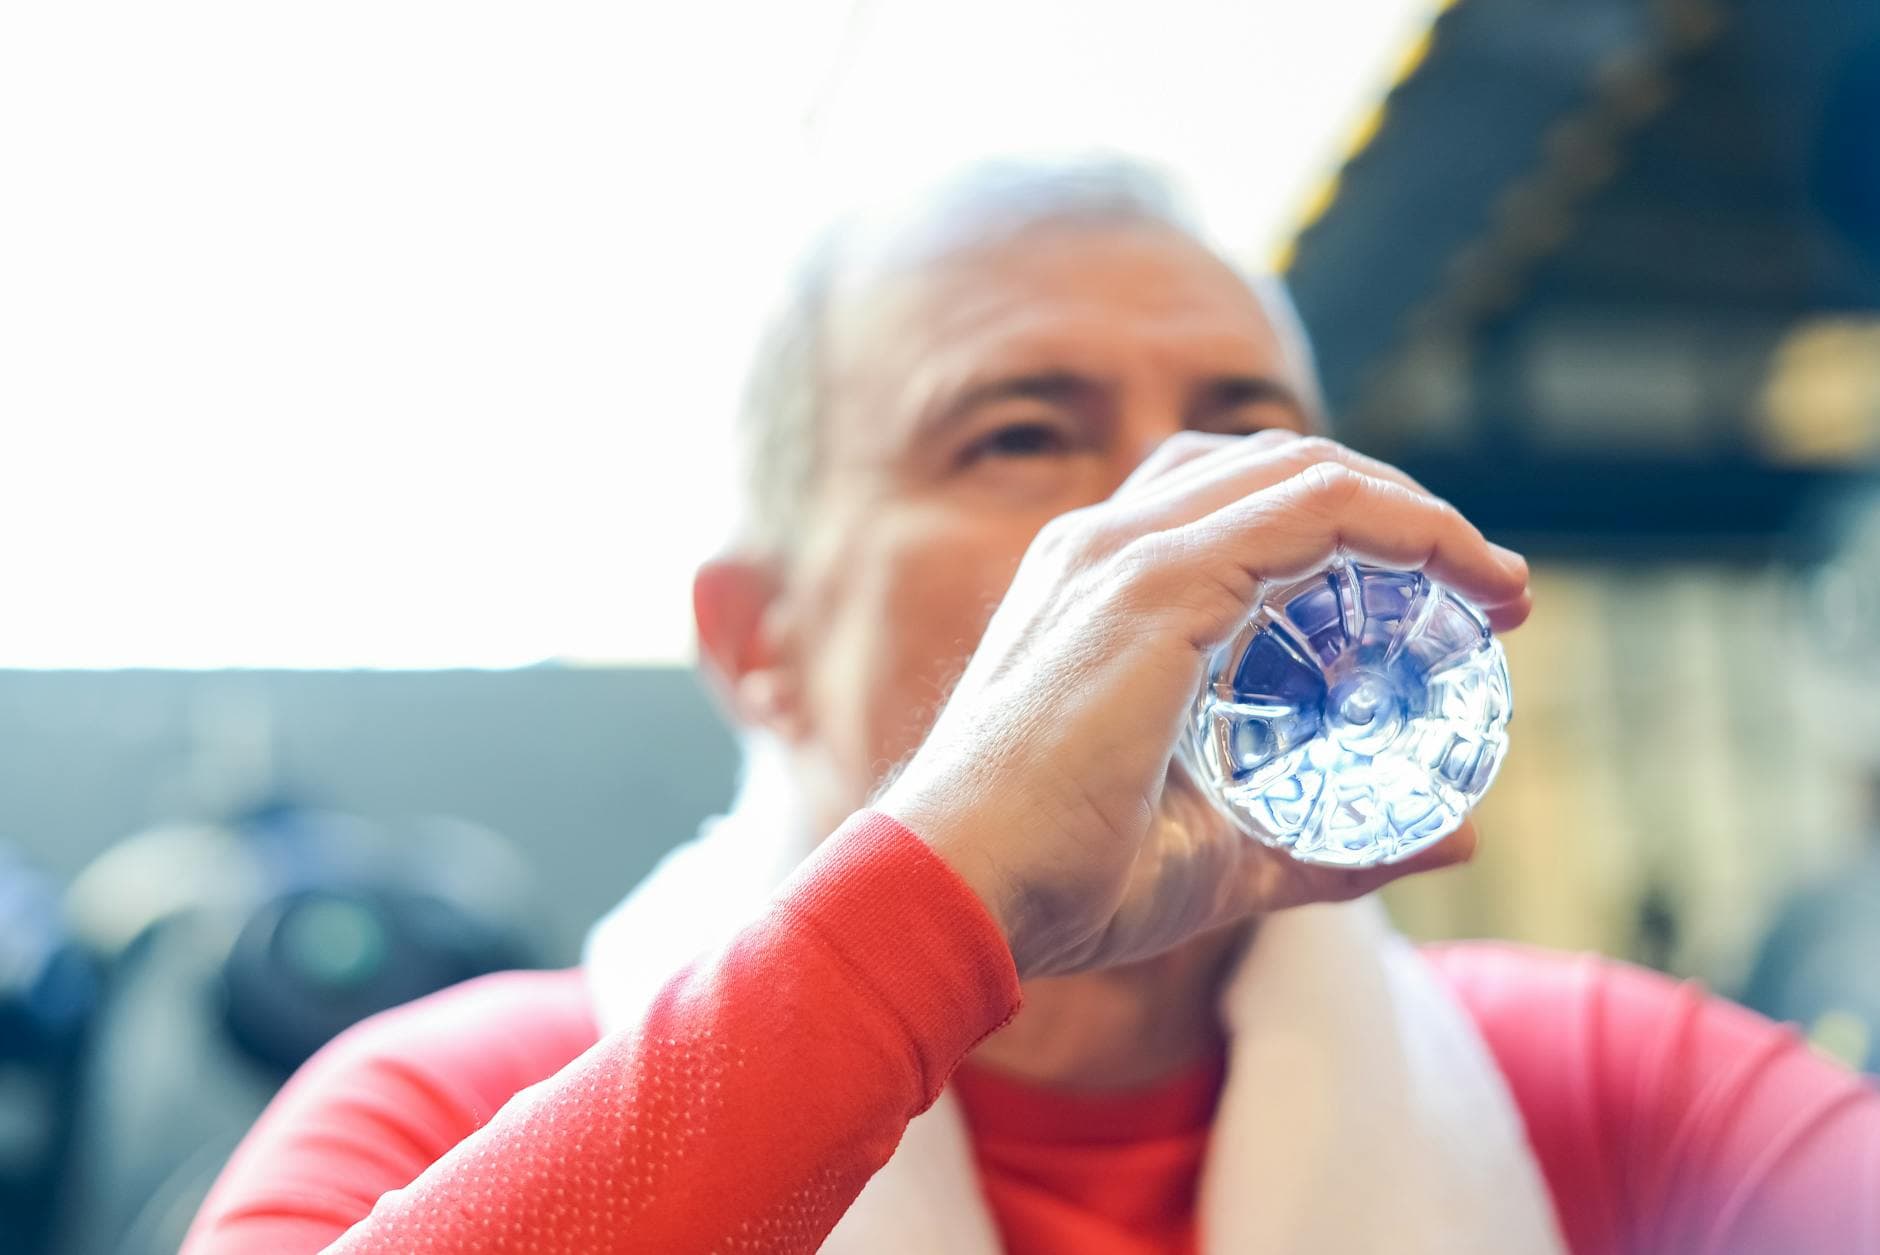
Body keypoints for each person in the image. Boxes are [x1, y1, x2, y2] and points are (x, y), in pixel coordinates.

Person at [182, 159, 1880, 1255]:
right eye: (1017, 435)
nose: (1183, 507)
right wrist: (939, 900)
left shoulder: (1598, 1090)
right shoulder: (449, 1109)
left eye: (1248, 430)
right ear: (761, 635)